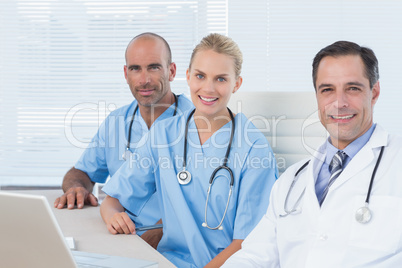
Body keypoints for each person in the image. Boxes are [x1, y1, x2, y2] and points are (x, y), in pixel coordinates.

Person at [100, 33, 278, 267]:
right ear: (187, 76)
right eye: (200, 76)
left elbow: (247, 242)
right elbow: (112, 199)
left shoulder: (254, 149)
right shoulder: (163, 135)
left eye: (221, 79)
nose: (208, 88)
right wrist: (114, 216)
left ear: (237, 84)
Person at [222, 40, 402, 267]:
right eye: (327, 90)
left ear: (374, 93)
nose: (339, 102)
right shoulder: (291, 180)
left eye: (352, 88)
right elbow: (254, 256)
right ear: (317, 96)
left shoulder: (397, 163)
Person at [54, 33, 193, 247]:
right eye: (135, 68)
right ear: (126, 73)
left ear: (171, 71)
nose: (144, 79)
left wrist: (154, 240)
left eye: (154, 67)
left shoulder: (197, 124)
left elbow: (201, 204)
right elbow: (83, 171)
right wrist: (77, 189)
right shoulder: (117, 122)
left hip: (170, 243)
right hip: (115, 233)